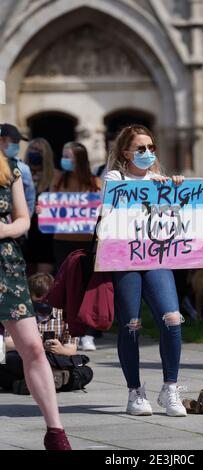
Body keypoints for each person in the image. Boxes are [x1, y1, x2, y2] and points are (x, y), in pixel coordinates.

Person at [104, 124, 187, 417]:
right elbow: (114, 198)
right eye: (140, 148)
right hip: (125, 259)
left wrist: (176, 188)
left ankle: (170, 388)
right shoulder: (114, 177)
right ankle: (135, 392)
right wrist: (155, 187)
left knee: (173, 319)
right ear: (126, 152)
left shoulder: (160, 180)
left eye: (151, 148)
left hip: (156, 258)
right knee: (131, 323)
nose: (147, 153)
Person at [0, 139, 71, 450]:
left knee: (32, 346)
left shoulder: (9, 168)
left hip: (6, 265)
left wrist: (3, 230)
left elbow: (23, 220)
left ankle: (55, 431)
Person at [1, 273, 93, 393]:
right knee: (6, 360)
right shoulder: (19, 312)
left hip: (53, 359)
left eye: (46, 297)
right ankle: (54, 381)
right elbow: (6, 344)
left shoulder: (64, 313)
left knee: (86, 372)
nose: (42, 301)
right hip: (25, 358)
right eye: (38, 297)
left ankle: (29, 384)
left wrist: (59, 349)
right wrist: (37, 345)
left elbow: (71, 349)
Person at [50, 142, 101, 351]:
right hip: (62, 238)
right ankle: (69, 332)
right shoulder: (59, 179)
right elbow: (51, 203)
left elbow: (99, 208)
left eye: (68, 156)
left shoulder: (93, 182)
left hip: (85, 239)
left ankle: (87, 333)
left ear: (79, 158)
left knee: (85, 286)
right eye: (63, 155)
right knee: (65, 286)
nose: (64, 159)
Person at [25, 138, 55, 274]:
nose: (35, 153)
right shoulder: (19, 174)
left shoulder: (55, 177)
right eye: (32, 149)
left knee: (43, 283)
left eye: (39, 150)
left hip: (45, 237)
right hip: (24, 234)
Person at [0, 123, 35, 216]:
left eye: (18, 142)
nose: (16, 145)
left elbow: (30, 199)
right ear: (1, 140)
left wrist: (23, 222)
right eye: (13, 141)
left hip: (13, 223)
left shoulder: (22, 169)